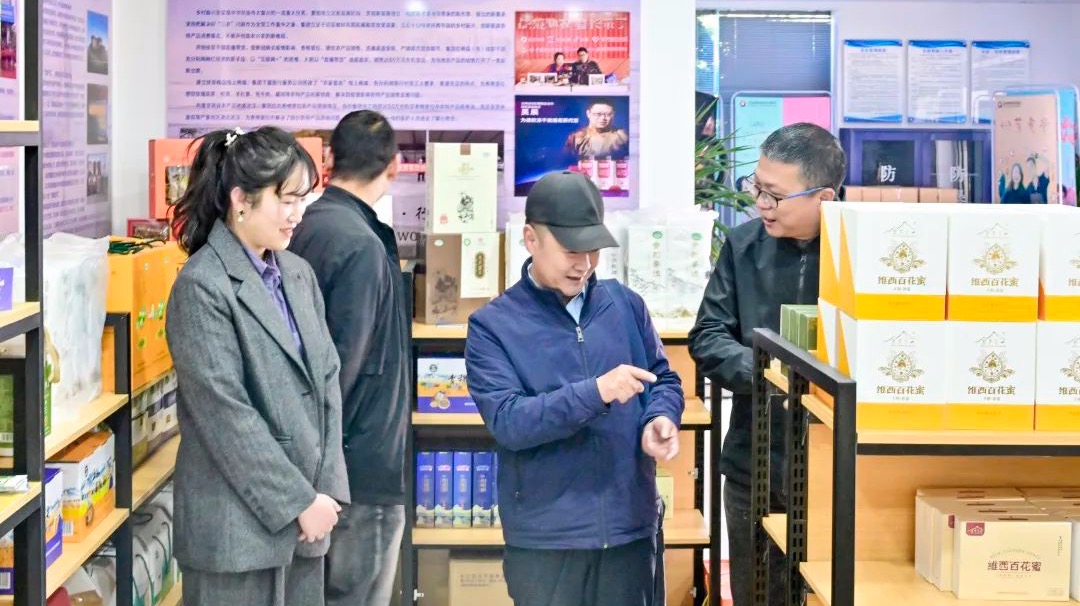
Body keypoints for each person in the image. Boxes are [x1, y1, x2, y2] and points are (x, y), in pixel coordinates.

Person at [465, 171, 685, 606]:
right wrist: (596, 392)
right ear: (531, 239)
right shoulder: (492, 326)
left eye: (593, 250)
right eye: (570, 250)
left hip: (629, 528)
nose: (583, 264)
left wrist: (659, 416)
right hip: (547, 540)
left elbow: (663, 379)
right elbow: (510, 422)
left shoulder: (625, 305)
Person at [165, 126, 349, 606]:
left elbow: (328, 381)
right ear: (241, 200)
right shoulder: (202, 285)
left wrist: (326, 493)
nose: (297, 214)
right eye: (286, 200)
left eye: (302, 199)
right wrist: (297, 501)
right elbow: (225, 414)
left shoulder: (298, 274)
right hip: (235, 534)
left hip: (308, 523)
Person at [688, 122, 845, 606]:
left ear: (824, 197)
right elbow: (708, 336)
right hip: (753, 461)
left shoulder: (859, 255)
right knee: (757, 593)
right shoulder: (743, 247)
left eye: (775, 195)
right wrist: (768, 372)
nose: (761, 203)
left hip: (837, 469)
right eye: (756, 187)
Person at [288, 110, 410, 606]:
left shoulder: (306, 225)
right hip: (358, 468)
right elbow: (343, 366)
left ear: (328, 160)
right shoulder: (359, 243)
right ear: (395, 165)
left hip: (314, 466)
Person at [564, 99, 629, 159]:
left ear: (613, 114)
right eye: (598, 114)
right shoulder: (576, 138)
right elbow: (566, 161)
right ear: (588, 114)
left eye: (608, 114)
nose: (603, 118)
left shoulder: (623, 136)